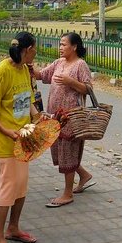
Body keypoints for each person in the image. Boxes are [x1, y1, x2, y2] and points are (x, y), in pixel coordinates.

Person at [0, 32, 42, 243]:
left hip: (23, 139)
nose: (36, 52)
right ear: (27, 50)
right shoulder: (3, 71)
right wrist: (7, 130)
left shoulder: (25, 69)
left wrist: (37, 117)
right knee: (7, 188)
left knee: (21, 186)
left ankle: (13, 228)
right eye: (35, 49)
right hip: (5, 140)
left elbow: (27, 101)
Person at [37, 32, 95, 207]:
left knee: (67, 152)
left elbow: (88, 89)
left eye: (63, 44)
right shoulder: (58, 63)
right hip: (55, 116)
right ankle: (84, 175)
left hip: (71, 118)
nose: (60, 48)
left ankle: (67, 194)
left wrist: (71, 82)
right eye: (60, 44)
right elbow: (42, 75)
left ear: (74, 46)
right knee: (62, 152)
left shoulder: (80, 65)